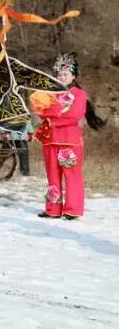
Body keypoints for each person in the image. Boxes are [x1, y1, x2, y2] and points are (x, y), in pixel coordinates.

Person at [32, 53, 105, 219]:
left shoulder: (78, 94)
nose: (61, 77)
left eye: (65, 74)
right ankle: (53, 209)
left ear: (73, 76)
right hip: (50, 140)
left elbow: (74, 115)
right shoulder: (51, 93)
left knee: (71, 175)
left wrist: (51, 116)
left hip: (69, 142)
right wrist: (54, 112)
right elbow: (41, 111)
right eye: (59, 74)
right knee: (52, 176)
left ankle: (73, 210)